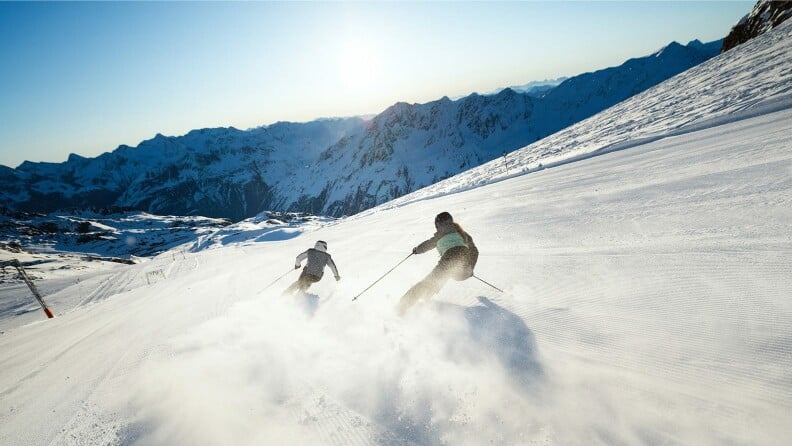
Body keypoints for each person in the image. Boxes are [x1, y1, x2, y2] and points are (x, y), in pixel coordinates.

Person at [396, 212, 478, 315]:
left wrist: (416, 250)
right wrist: (470, 267)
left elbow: (427, 245)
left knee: (429, 282)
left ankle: (401, 307)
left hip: (449, 259)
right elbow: (474, 250)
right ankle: (426, 296)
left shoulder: (440, 235)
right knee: (443, 277)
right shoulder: (463, 234)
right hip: (463, 261)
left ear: (438, 225)